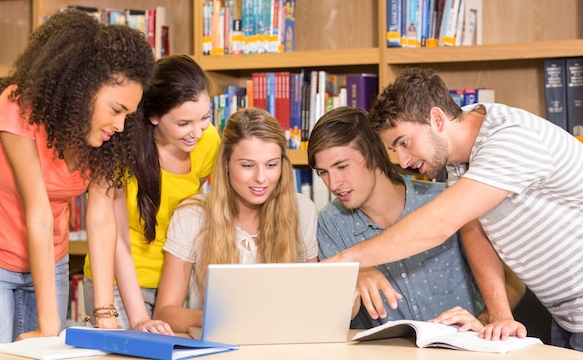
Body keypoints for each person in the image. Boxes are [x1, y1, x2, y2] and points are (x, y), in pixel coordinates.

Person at [327, 67, 583, 351]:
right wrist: (499, 316)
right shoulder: (461, 150)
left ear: (437, 119)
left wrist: (342, 261)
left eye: (405, 142)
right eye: (394, 149)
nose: (401, 160)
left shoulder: (510, 139)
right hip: (566, 317)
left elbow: (439, 225)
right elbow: (473, 229)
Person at [0, 9, 155, 353]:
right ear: (83, 89)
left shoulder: (103, 141)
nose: (121, 126)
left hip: (51, 262)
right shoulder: (20, 106)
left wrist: (105, 312)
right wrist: (50, 324)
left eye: (129, 115)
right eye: (116, 109)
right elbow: (38, 210)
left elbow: (101, 218)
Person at [308, 106, 526, 339]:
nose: (333, 183)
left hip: (463, 351)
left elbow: (514, 283)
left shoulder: (446, 202)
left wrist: (483, 320)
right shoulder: (330, 223)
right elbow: (329, 318)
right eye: (323, 173)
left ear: (373, 155)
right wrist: (349, 280)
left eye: (342, 167)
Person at [82, 55, 221, 334]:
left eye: (205, 117)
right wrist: (139, 319)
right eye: (184, 123)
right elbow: (117, 236)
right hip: (117, 284)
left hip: (174, 284)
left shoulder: (209, 143)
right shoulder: (120, 148)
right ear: (154, 116)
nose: (197, 132)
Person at [152, 107, 319, 332]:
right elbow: (165, 313)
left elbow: (314, 301)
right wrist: (216, 318)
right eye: (247, 165)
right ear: (226, 165)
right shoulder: (192, 216)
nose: (261, 178)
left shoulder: (302, 211)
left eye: (271, 165)